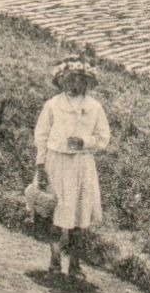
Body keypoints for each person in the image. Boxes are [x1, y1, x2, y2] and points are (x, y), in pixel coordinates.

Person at [33, 57, 111, 279]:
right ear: (61, 81)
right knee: (55, 213)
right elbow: (41, 136)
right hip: (56, 163)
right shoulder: (53, 105)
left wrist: (85, 142)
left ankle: (75, 265)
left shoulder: (94, 107)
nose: (73, 83)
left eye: (79, 79)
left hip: (81, 165)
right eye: (68, 79)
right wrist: (41, 165)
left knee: (79, 216)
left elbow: (103, 137)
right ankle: (55, 261)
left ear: (87, 83)